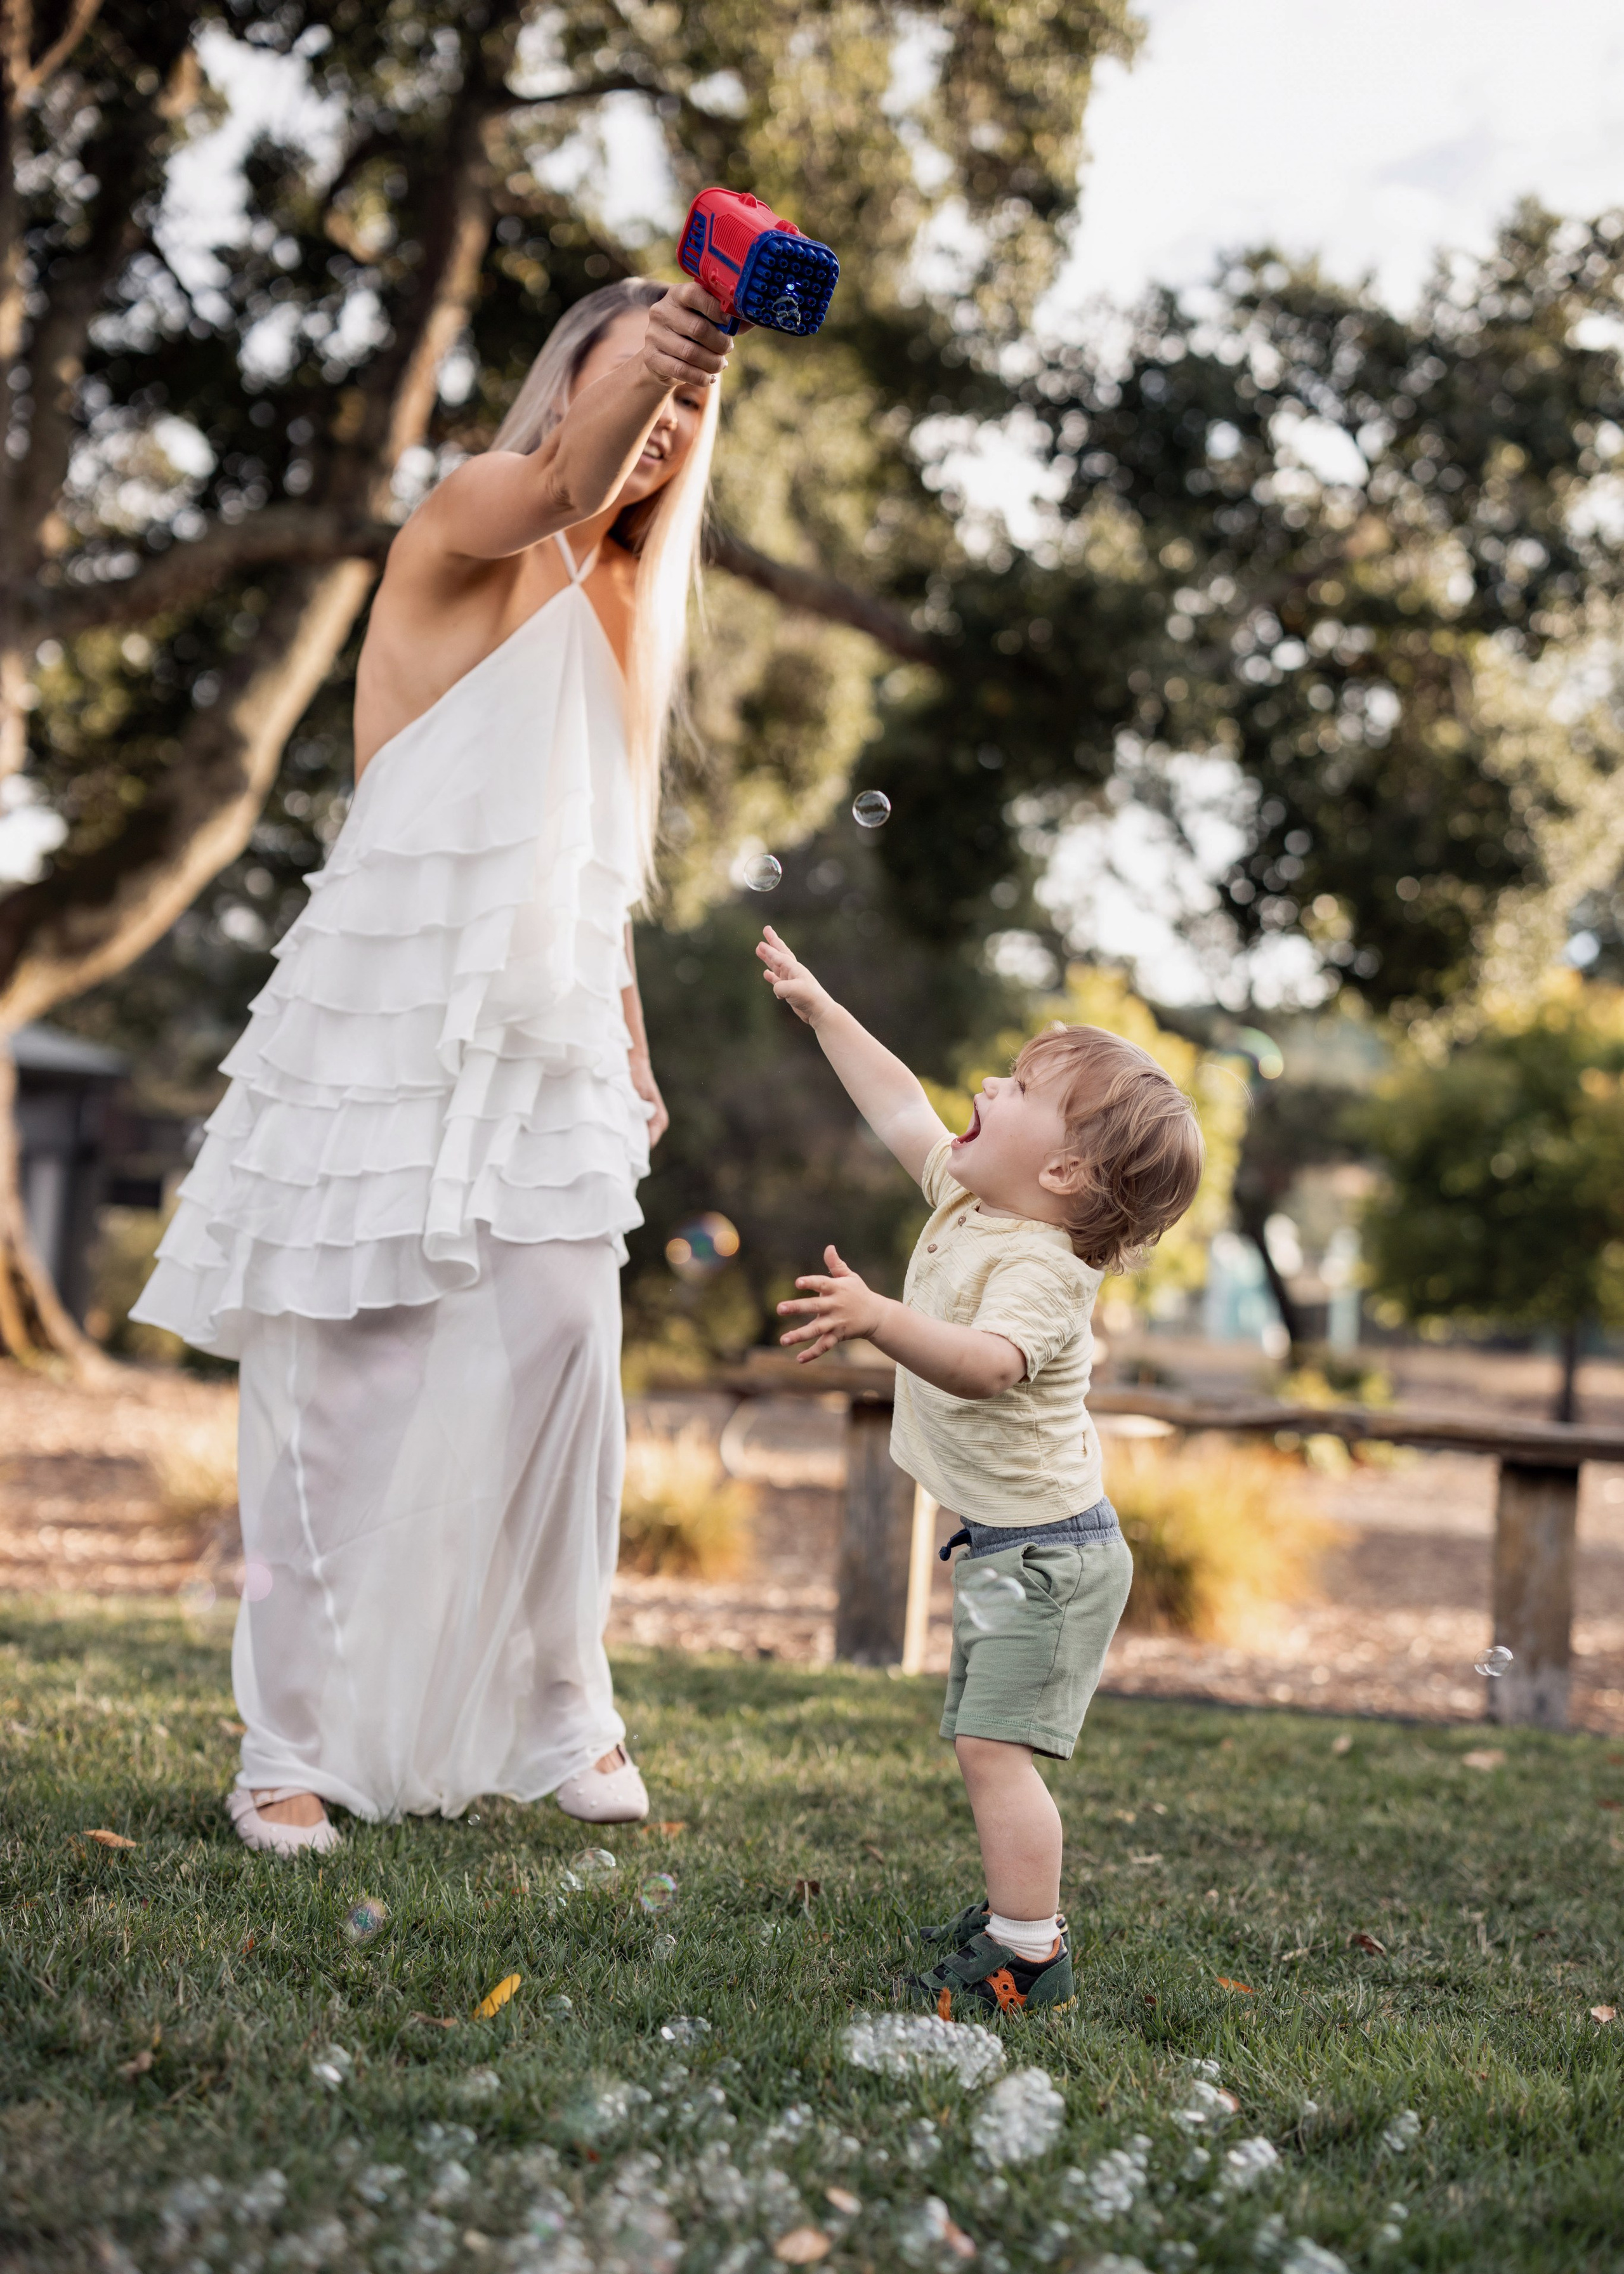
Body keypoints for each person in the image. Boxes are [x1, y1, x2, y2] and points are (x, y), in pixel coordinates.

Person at [133, 279, 733, 1853]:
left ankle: (558, 1710)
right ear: (575, 378)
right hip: (386, 1012)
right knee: (352, 1384)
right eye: (638, 385)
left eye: (688, 410)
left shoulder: (628, 609)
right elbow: (558, 483)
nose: (662, 426)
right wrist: (655, 361)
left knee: (563, 1355)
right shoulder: (474, 512)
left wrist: (631, 1034)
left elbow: (590, 862)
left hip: (548, 1037)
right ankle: (286, 1752)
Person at [755, 924, 1204, 2015]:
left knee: (996, 1755)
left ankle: (1027, 1953)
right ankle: (1014, 1918)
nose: (986, 1084)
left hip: (1052, 1560)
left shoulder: (1043, 1270)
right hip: (1014, 1549)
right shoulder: (971, 1197)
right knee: (979, 1743)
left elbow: (986, 1370)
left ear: (1059, 1169)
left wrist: (879, 1319)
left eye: (1017, 1086)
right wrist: (822, 1008)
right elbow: (900, 1101)